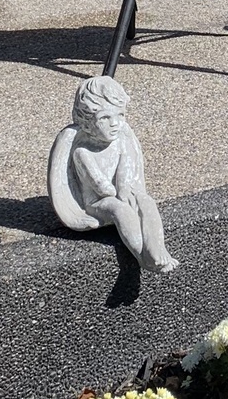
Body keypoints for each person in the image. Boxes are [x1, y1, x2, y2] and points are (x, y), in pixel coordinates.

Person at [51, 75, 177, 272]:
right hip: (97, 202)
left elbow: (124, 170)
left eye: (120, 116)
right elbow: (101, 186)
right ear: (86, 123)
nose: (115, 123)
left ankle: (157, 248)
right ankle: (143, 256)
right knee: (121, 210)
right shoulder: (82, 151)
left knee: (146, 202)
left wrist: (126, 189)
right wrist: (117, 194)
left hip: (119, 193)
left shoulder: (120, 141)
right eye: (105, 118)